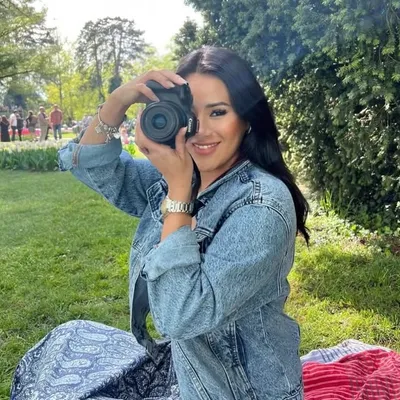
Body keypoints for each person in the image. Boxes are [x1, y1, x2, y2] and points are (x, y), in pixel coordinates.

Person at [11, 47, 309, 400]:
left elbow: (178, 317)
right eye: (189, 115)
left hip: (241, 391)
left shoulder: (262, 204)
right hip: (190, 377)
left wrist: (178, 193)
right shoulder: (182, 175)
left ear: (246, 118)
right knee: (64, 348)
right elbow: (93, 167)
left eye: (218, 112)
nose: (200, 130)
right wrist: (118, 102)